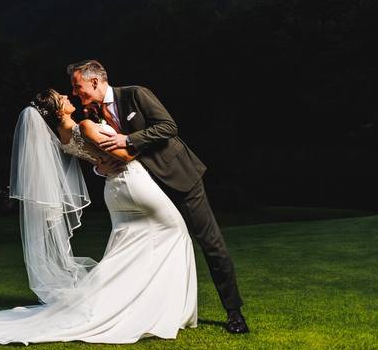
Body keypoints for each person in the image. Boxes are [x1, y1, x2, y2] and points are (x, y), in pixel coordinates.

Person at [0, 89, 198, 344]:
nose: (66, 96)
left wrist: (99, 166)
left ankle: (129, 302)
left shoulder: (63, 136)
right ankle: (162, 308)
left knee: (126, 248)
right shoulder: (84, 125)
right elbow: (125, 155)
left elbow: (97, 159)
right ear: (58, 109)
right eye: (61, 97)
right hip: (132, 183)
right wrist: (147, 140)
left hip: (114, 191)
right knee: (176, 233)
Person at [67, 59, 248, 334]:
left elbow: (167, 127)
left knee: (211, 243)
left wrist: (128, 140)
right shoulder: (93, 114)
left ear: (94, 81)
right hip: (148, 188)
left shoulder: (136, 93)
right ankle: (154, 311)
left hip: (180, 177)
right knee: (152, 249)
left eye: (78, 87)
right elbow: (101, 153)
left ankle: (234, 312)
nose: (75, 94)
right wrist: (99, 166)